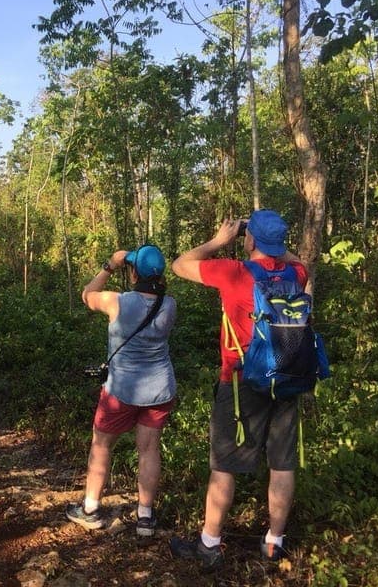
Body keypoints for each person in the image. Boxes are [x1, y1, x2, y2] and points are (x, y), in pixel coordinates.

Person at [168, 209, 307, 570]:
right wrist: (273, 243)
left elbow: (180, 265)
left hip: (241, 381)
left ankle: (210, 543)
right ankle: (275, 542)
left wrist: (220, 240)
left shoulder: (234, 272)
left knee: (225, 465)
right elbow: (296, 260)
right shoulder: (298, 273)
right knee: (282, 463)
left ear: (250, 240)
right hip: (289, 379)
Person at [65, 244, 177, 538]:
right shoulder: (170, 305)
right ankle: (145, 518)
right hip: (160, 389)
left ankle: (90, 509)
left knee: (101, 445)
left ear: (134, 272)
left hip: (122, 390)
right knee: (149, 449)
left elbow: (86, 295)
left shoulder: (118, 302)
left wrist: (109, 265)